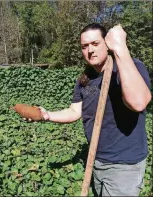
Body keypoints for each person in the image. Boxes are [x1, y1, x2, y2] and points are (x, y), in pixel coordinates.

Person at [24, 23, 152, 196]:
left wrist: (121, 47)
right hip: (96, 161)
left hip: (124, 165)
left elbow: (138, 102)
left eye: (95, 43)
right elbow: (74, 111)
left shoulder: (130, 66)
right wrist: (46, 115)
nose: (90, 50)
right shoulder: (85, 78)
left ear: (107, 43)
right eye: (84, 46)